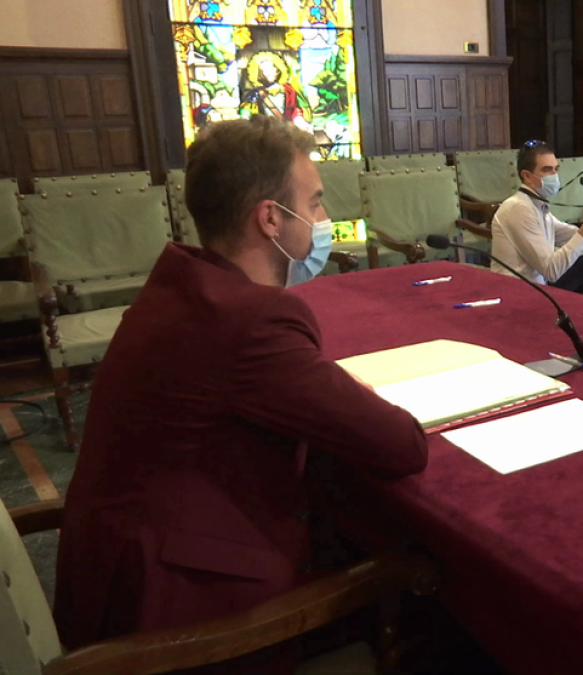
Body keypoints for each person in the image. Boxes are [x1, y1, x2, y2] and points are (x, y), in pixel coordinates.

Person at [53, 117, 429, 667]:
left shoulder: (182, 281)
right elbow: (402, 445)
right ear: (271, 218)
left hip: (111, 574)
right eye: (317, 202)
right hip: (179, 613)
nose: (324, 219)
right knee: (422, 583)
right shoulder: (253, 321)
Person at [490, 140, 583, 295]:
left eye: (556, 169)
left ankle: (572, 314)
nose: (554, 175)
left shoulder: (539, 208)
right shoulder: (518, 208)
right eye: (547, 170)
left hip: (540, 285)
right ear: (527, 176)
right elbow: (551, 271)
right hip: (518, 292)